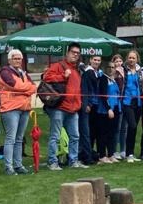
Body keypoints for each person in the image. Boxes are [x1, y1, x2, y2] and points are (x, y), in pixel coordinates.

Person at [43, 42, 88, 170]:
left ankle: (73, 161)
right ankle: (52, 162)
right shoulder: (58, 66)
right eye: (73, 52)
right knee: (55, 136)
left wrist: (78, 103)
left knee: (75, 136)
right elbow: (46, 78)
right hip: (59, 107)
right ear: (67, 53)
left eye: (78, 53)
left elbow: (77, 89)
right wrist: (63, 76)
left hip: (73, 108)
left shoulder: (78, 69)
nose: (75, 55)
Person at [0, 50, 36, 175]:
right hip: (10, 109)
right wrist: (27, 89)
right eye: (15, 58)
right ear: (9, 60)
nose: (18, 60)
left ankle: (18, 165)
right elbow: (15, 85)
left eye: (20, 58)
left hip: (24, 108)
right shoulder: (5, 72)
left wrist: (26, 88)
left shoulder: (24, 73)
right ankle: (9, 167)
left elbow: (34, 86)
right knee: (11, 138)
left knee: (19, 139)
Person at [121, 49, 143, 162]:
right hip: (127, 101)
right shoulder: (123, 70)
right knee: (132, 125)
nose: (131, 60)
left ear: (137, 59)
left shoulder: (140, 70)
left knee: (134, 129)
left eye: (133, 58)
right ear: (127, 59)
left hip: (138, 102)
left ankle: (130, 153)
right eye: (130, 58)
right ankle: (127, 153)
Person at [96, 61, 121, 163]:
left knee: (112, 133)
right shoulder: (103, 79)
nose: (111, 69)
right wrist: (108, 109)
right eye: (109, 67)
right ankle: (102, 155)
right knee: (103, 133)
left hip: (116, 108)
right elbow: (103, 95)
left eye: (113, 67)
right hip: (105, 110)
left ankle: (111, 154)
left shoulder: (114, 80)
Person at [80, 54, 102, 165]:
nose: (97, 62)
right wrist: (87, 103)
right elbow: (86, 89)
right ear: (90, 60)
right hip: (90, 104)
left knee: (93, 131)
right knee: (87, 132)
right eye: (95, 60)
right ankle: (86, 156)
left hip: (96, 104)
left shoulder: (98, 73)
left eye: (98, 60)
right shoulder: (88, 73)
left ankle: (91, 153)